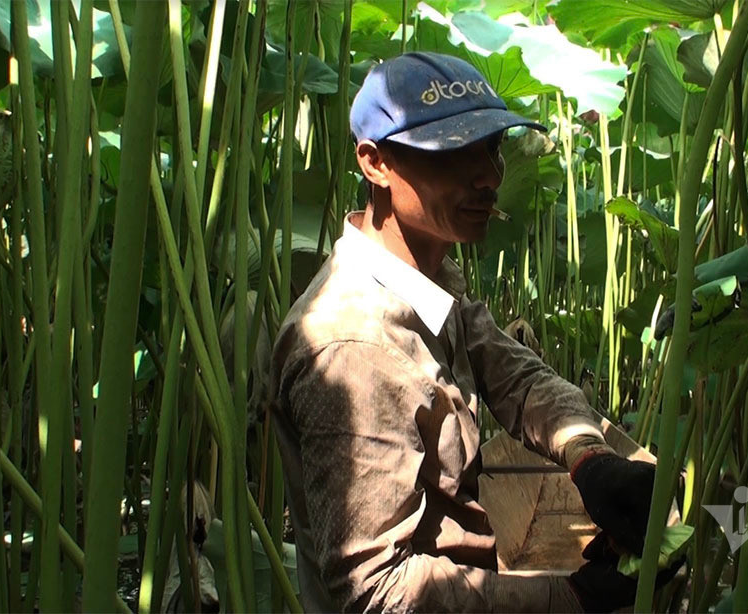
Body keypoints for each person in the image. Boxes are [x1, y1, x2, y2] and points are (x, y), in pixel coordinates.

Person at [269, 51, 679, 613]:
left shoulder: (425, 273)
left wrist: (589, 459)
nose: (489, 177)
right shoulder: (352, 346)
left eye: (491, 148)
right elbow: (378, 594)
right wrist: (573, 597)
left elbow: (515, 375)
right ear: (375, 163)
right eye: (454, 153)